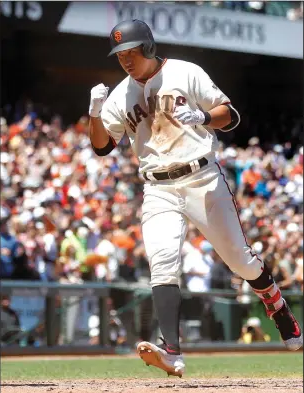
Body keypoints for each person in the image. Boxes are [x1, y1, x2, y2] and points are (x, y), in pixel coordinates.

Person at [88, 19, 302, 377]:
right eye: (119, 54)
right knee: (162, 262)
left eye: (131, 51)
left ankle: (277, 305)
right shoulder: (120, 95)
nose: (125, 59)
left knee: (241, 261)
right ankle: (171, 350)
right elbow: (101, 146)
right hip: (158, 187)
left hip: (202, 177)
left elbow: (230, 115)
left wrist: (201, 116)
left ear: (149, 47)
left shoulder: (186, 72)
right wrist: (94, 113)